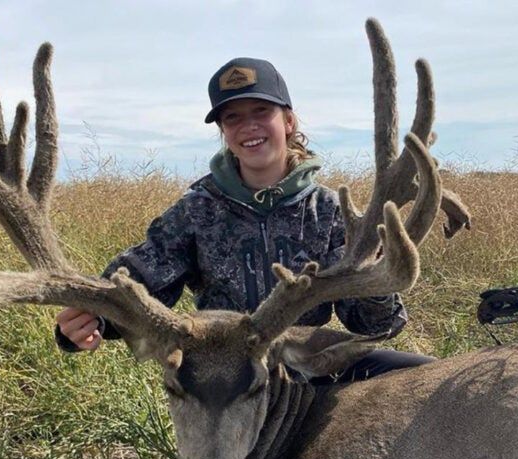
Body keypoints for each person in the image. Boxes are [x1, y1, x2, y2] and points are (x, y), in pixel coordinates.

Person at [54, 57, 433, 382]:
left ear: (288, 121)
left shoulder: (328, 211)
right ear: (223, 132)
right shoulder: (197, 211)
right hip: (223, 374)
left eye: (261, 112)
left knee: (429, 380)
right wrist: (93, 319)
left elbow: (372, 324)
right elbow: (139, 278)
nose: (248, 126)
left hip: (307, 365)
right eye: (233, 117)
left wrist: (375, 278)